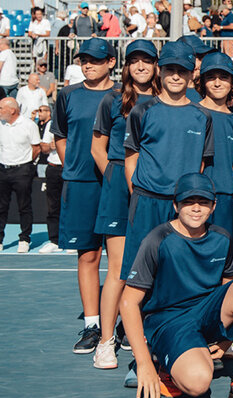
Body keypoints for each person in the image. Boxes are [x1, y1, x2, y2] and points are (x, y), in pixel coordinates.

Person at [119, 172, 233, 398]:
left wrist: (226, 339)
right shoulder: (157, 239)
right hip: (170, 321)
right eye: (188, 201)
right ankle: (159, 359)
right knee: (198, 384)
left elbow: (230, 290)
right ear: (176, 204)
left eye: (204, 202)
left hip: (206, 313)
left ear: (214, 205)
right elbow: (128, 302)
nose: (196, 208)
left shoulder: (223, 238)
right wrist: (143, 362)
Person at [89, 40, 160, 369]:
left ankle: (140, 331)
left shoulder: (165, 101)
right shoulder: (112, 99)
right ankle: (106, 341)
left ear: (156, 65)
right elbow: (98, 149)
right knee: (118, 268)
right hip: (119, 185)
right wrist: (117, 179)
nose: (142, 66)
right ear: (127, 66)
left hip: (153, 188)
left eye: (148, 60)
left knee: (151, 267)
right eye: (136, 61)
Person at [120, 41, 215, 284]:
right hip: (146, 201)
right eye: (170, 69)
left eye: (182, 70)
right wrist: (138, 193)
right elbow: (131, 157)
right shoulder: (142, 111)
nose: (175, 76)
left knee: (176, 272)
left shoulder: (202, 115)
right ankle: (133, 321)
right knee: (138, 272)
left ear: (192, 74)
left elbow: (202, 164)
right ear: (159, 70)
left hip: (181, 206)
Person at [51, 38, 119, 353]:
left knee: (121, 259)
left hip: (116, 185)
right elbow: (60, 136)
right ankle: (93, 325)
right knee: (88, 255)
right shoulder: (67, 95)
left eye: (95, 59)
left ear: (111, 63)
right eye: (84, 60)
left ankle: (123, 323)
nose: (88, 64)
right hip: (80, 185)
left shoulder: (123, 96)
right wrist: (74, 167)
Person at [195, 52, 233, 238]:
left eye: (223, 77)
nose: (217, 83)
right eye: (211, 77)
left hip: (224, 197)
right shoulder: (192, 112)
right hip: (194, 196)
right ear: (202, 81)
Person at [0, 98, 40, 253]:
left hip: (22, 171)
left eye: (1, 107)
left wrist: (28, 166)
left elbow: (36, 148)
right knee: (1, 207)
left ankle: (24, 238)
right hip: (3, 169)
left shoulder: (29, 125)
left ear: (12, 110)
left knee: (24, 206)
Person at [39, 105, 63, 253]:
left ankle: (71, 238)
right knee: (53, 206)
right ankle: (54, 239)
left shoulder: (75, 121)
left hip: (71, 167)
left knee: (72, 205)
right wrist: (50, 145)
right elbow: (43, 147)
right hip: (53, 167)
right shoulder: (51, 123)